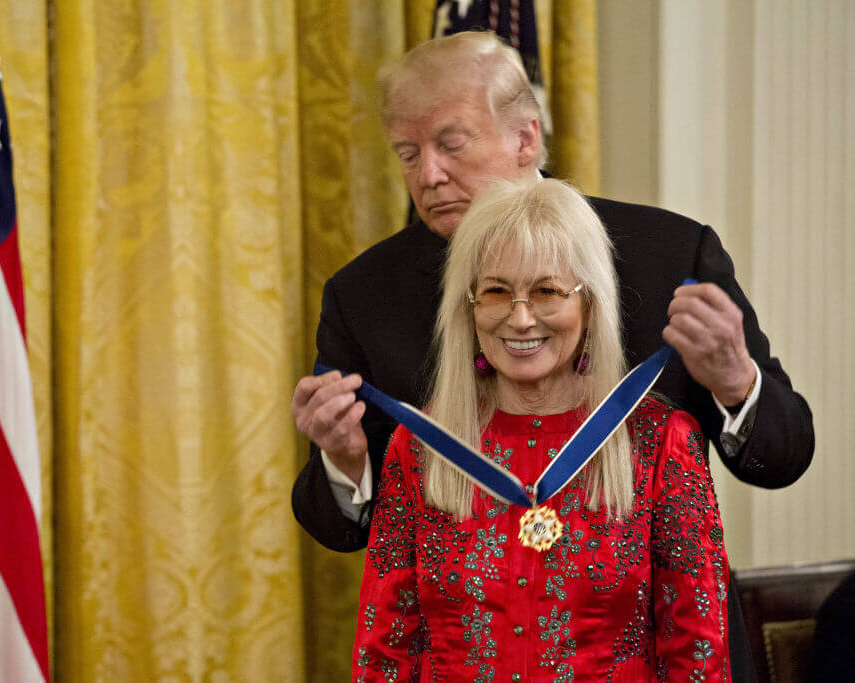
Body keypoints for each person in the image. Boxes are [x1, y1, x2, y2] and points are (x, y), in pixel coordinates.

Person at [291, 31, 813, 680]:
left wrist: (738, 384)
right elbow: (342, 531)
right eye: (407, 152)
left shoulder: (669, 255)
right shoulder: (363, 295)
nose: (427, 174)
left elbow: (786, 455)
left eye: (451, 144)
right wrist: (344, 464)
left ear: (526, 137)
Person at [352, 178, 731, 680]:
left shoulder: (662, 443)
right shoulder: (419, 448)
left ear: (590, 304)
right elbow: (384, 650)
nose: (521, 317)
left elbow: (697, 655)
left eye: (548, 291)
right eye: (496, 292)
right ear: (469, 307)